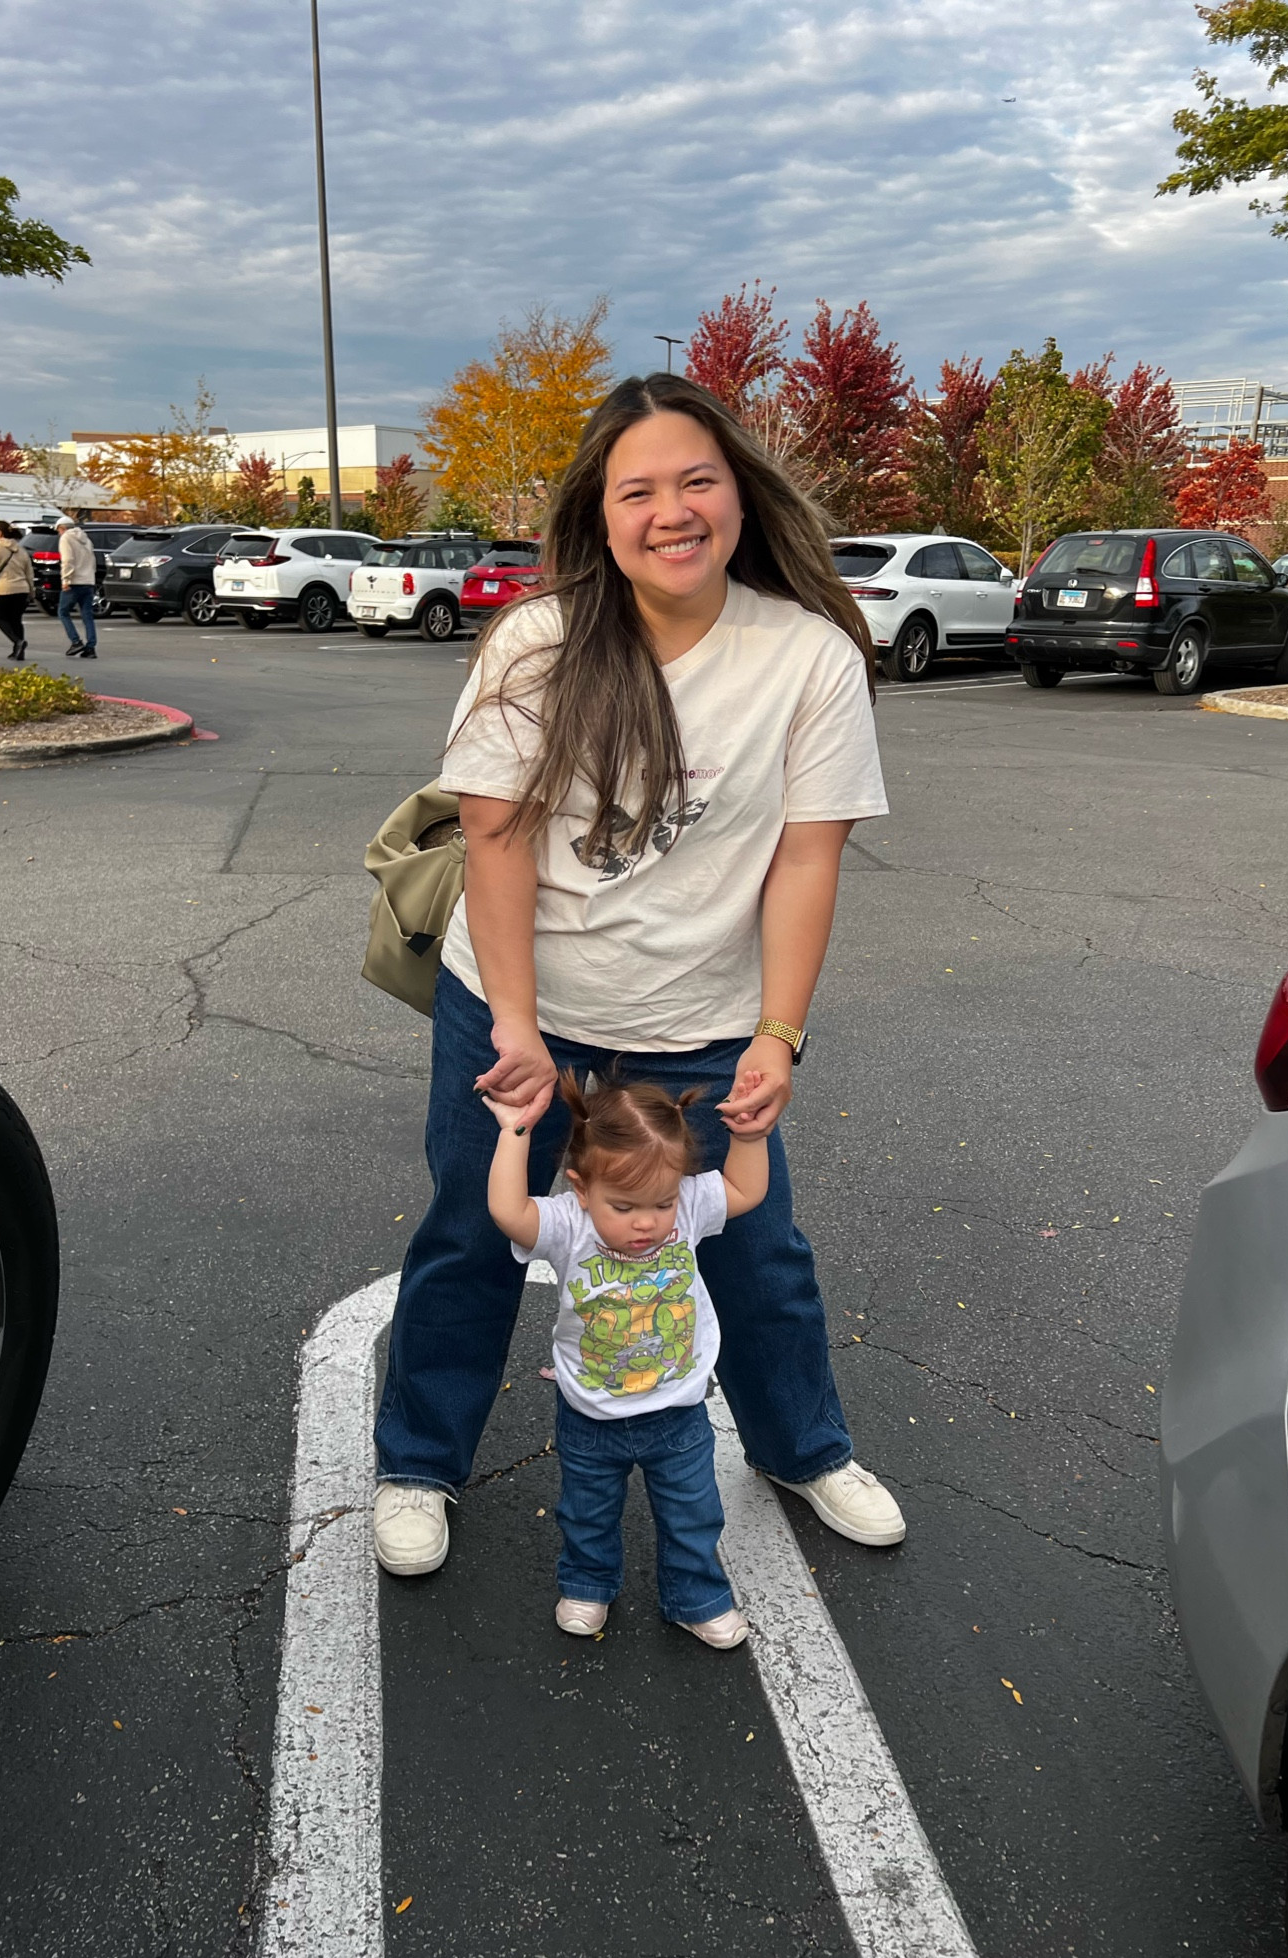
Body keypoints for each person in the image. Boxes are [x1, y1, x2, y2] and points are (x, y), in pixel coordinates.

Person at [372, 370, 907, 1578]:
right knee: (473, 1230)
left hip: (703, 1023)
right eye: (639, 490)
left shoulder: (807, 656)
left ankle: (804, 1447)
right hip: (521, 1007)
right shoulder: (541, 639)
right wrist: (516, 1023)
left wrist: (778, 1034)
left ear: (740, 496)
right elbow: (495, 837)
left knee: (754, 1248)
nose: (673, 511)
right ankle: (418, 1462)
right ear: (601, 518)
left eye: (697, 480)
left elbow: (806, 860)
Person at [485, 1069, 768, 1648]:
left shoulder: (686, 1208)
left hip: (678, 1408)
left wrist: (750, 1137)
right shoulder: (569, 1223)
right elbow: (509, 1213)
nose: (646, 1222)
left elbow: (744, 1192)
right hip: (591, 1412)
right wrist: (514, 1133)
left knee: (694, 1513)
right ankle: (588, 1584)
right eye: (624, 1205)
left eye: (661, 1202)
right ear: (582, 1189)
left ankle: (697, 1596)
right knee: (586, 1512)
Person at [0, 521, 35, 661]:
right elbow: (29, 573)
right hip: (21, 589)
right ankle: (18, 650)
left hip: (3, 589)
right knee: (16, 620)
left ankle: (17, 642)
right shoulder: (21, 550)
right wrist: (31, 591)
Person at [55, 517, 99, 660]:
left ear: (62, 528)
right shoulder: (86, 539)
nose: (59, 534)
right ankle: (91, 647)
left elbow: (68, 560)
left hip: (74, 581)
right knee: (87, 614)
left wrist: (66, 579)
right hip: (88, 581)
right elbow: (92, 560)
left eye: (58, 531)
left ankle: (76, 641)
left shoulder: (66, 539)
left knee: (63, 612)